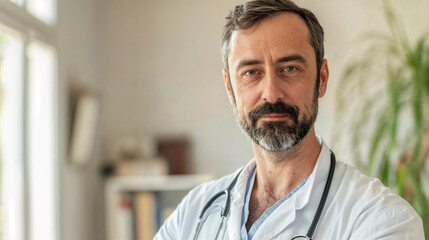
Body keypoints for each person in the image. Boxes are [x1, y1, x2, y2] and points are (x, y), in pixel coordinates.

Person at [154, 0, 424, 239]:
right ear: (230, 88)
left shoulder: (383, 220)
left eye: (290, 68)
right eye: (251, 72)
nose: (271, 93)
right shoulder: (192, 215)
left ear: (322, 78)